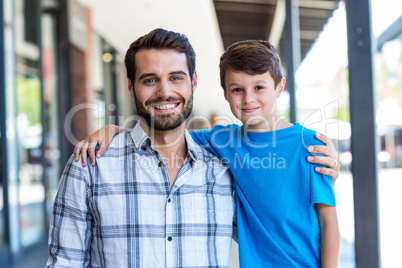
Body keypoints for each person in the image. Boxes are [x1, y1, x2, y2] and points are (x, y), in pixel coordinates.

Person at [75, 39, 341, 267]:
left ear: (279, 87)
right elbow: (167, 135)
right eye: (237, 89)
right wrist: (116, 129)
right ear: (225, 93)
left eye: (259, 87)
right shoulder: (221, 139)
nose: (248, 99)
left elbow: (329, 224)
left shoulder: (311, 145)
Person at [46, 28, 236, 267]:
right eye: (150, 80)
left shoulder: (227, 165)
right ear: (130, 86)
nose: (165, 92)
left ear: (193, 82)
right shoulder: (90, 164)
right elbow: (65, 262)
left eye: (176, 78)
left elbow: (274, 237)